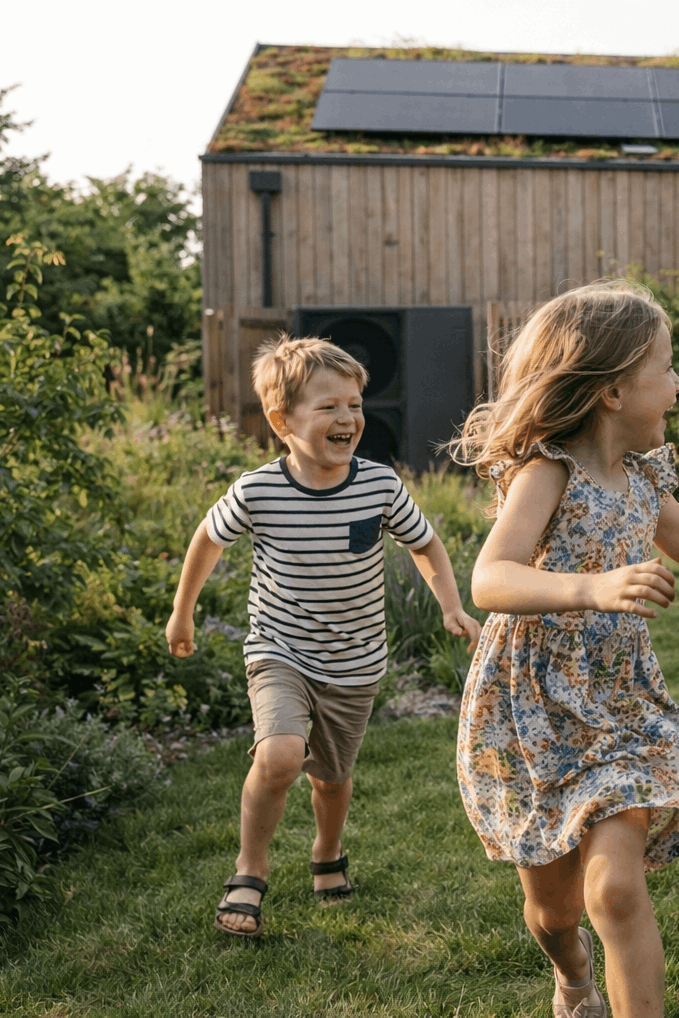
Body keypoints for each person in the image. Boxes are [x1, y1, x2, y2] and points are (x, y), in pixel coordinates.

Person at [450, 282, 679, 1018]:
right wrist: (591, 587)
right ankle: (571, 974)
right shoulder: (548, 470)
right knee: (554, 912)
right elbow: (491, 578)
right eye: (668, 367)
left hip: (620, 707)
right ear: (615, 390)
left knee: (616, 889)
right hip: (531, 712)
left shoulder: (646, 479)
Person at [166, 335, 481, 939]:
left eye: (355, 405)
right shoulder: (259, 490)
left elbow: (426, 544)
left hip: (356, 661)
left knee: (331, 778)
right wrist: (184, 612)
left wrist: (450, 605)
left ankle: (326, 851)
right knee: (282, 754)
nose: (348, 418)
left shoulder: (377, 485)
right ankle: (249, 868)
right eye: (329, 407)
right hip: (278, 649)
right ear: (282, 421)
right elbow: (207, 538)